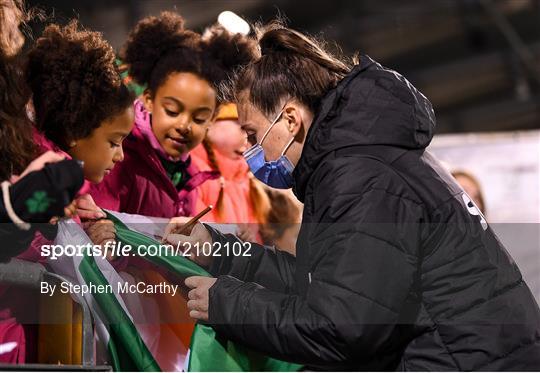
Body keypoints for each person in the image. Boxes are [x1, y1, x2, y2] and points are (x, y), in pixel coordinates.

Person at [165, 22, 540, 370]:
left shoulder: (361, 177)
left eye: (252, 134)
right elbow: (326, 285)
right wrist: (221, 251)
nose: (248, 149)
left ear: (291, 120)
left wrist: (228, 303)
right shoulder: (359, 159)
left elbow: (344, 328)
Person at [190, 103, 270, 242]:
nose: (249, 139)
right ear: (211, 123)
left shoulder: (244, 182)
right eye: (242, 127)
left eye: (253, 133)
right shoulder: (195, 172)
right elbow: (195, 227)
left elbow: (253, 234)